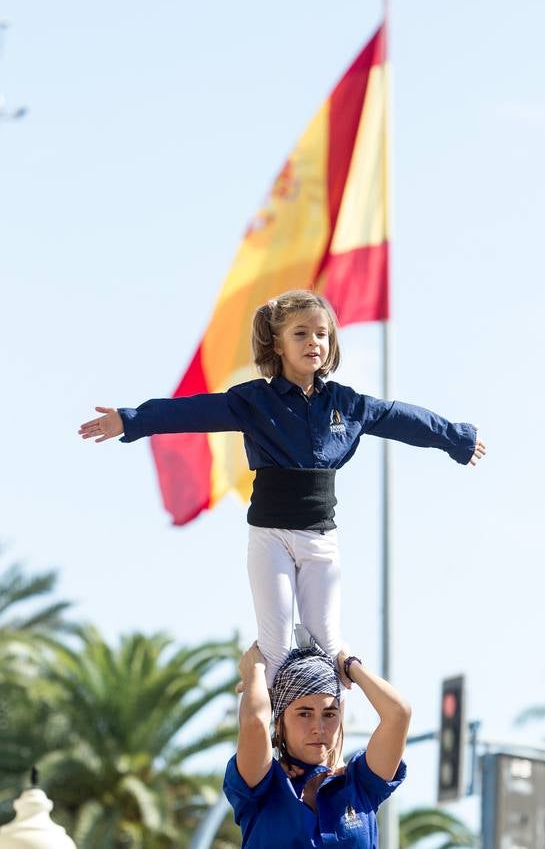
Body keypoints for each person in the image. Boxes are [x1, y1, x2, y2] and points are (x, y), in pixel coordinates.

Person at [78, 289, 486, 682]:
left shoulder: (346, 404)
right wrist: (130, 420)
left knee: (327, 645)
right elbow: (193, 411)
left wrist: (456, 438)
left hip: (320, 541)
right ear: (277, 343)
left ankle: (326, 742)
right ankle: (271, 739)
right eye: (301, 334)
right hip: (270, 538)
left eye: (322, 334)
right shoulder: (254, 401)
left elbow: (402, 418)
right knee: (276, 648)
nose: (314, 342)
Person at [223, 639, 410, 848]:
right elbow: (254, 722)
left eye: (329, 714)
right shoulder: (263, 783)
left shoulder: (359, 784)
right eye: (304, 714)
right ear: (279, 721)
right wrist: (256, 670)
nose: (318, 727)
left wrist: (349, 666)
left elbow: (398, 714)